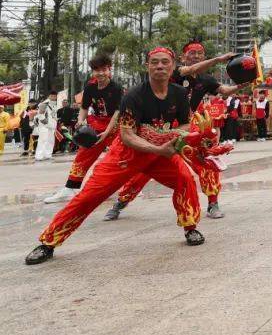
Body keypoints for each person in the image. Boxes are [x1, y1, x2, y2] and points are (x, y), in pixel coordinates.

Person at [25, 47, 203, 265]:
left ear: (173, 66)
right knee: (89, 196)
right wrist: (157, 147)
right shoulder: (133, 95)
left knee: (185, 179)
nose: (160, 66)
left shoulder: (179, 94)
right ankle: (48, 242)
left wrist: (173, 137)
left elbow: (186, 122)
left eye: (165, 62)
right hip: (126, 154)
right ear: (147, 66)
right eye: (155, 62)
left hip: (160, 152)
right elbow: (127, 136)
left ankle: (190, 228)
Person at [104, 41, 247, 222]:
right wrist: (219, 58)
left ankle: (213, 203)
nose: (195, 56)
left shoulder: (206, 79)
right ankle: (121, 202)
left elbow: (225, 90)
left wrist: (243, 83)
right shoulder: (174, 71)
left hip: (189, 126)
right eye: (191, 53)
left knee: (206, 161)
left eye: (199, 53)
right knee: (145, 167)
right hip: (162, 127)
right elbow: (189, 70)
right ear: (182, 58)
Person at [43, 53, 125, 204]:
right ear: (92, 71)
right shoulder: (90, 87)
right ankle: (70, 188)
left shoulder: (116, 88)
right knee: (83, 156)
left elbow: (118, 112)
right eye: (96, 69)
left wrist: (107, 131)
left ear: (109, 70)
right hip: (96, 124)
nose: (100, 73)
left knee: (121, 157)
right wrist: (80, 120)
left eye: (104, 69)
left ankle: (126, 189)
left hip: (116, 126)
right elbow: (84, 107)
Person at [33, 92, 58, 162]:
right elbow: (40, 113)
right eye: (52, 96)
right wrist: (45, 121)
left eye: (54, 96)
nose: (53, 97)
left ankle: (48, 155)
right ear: (49, 96)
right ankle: (39, 156)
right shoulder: (45, 103)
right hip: (44, 126)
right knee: (43, 140)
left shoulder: (55, 104)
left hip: (51, 125)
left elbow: (53, 114)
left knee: (50, 141)